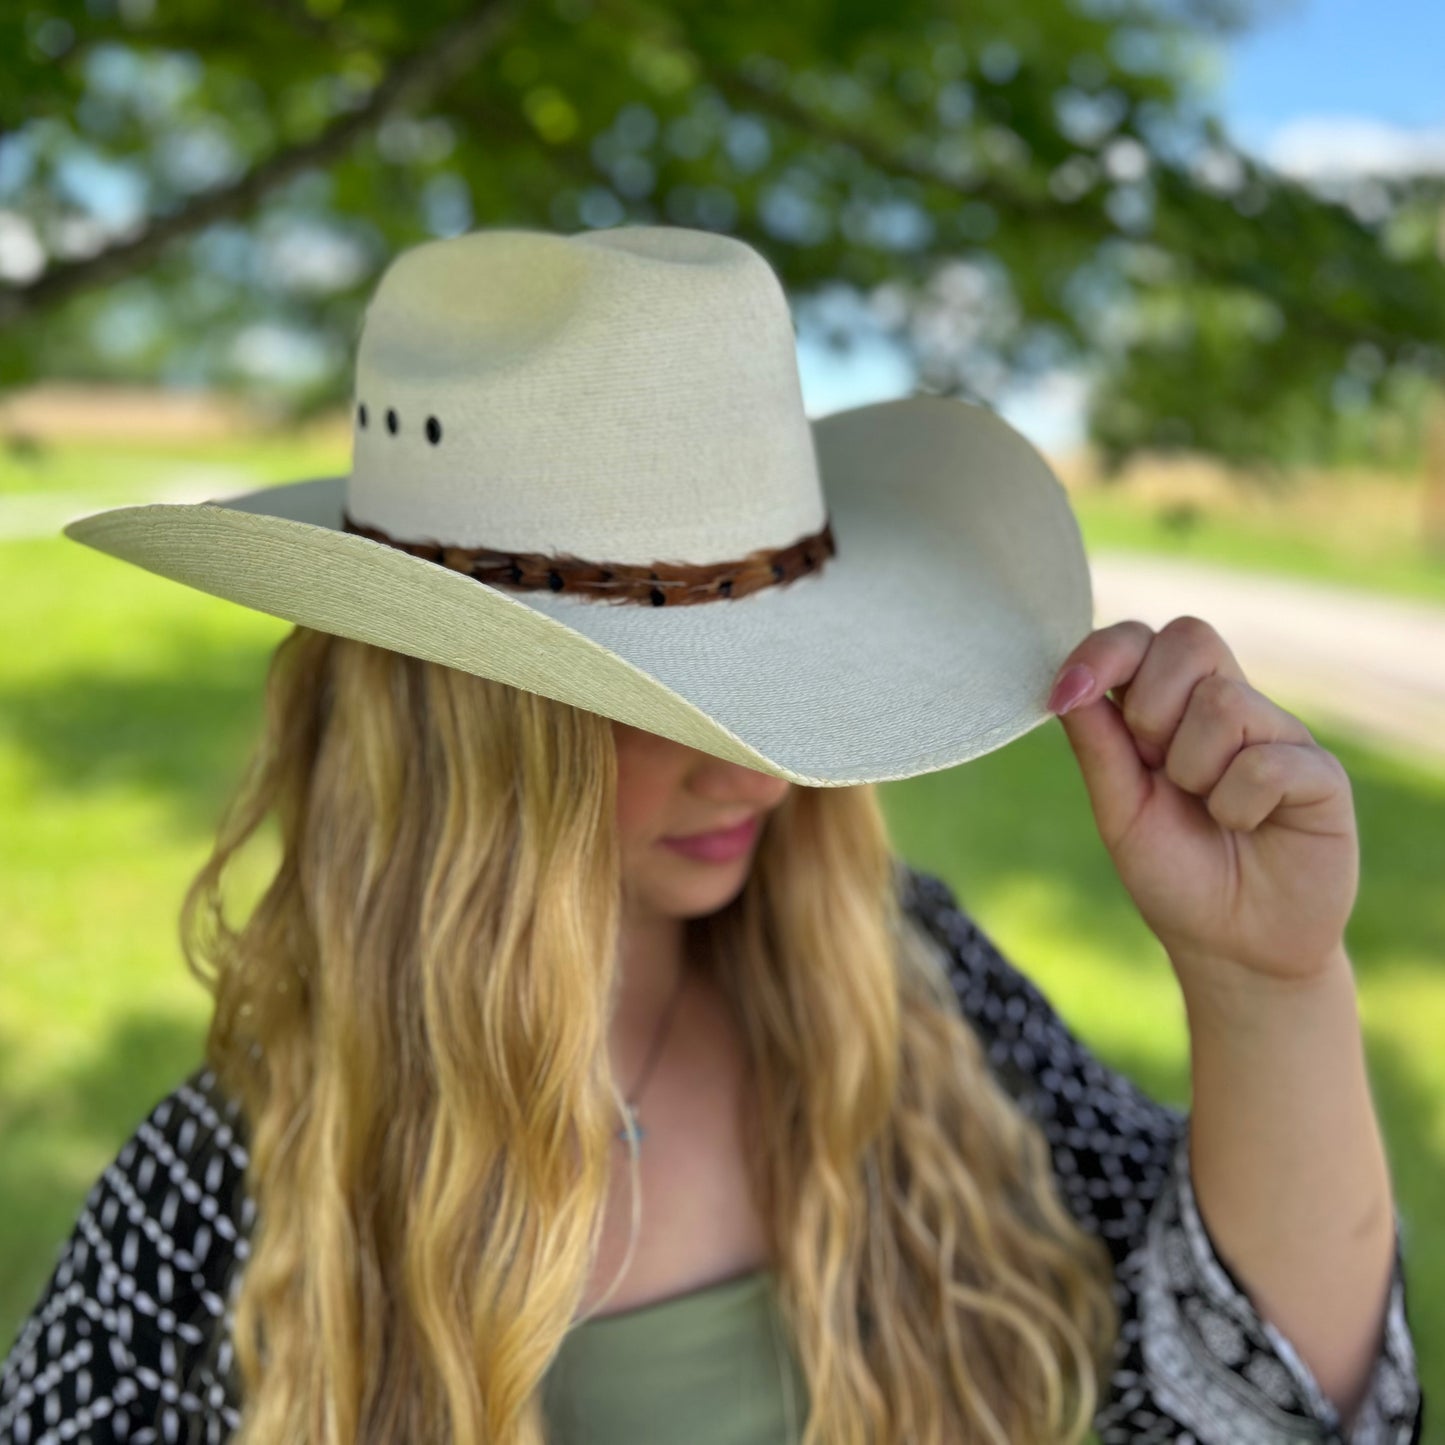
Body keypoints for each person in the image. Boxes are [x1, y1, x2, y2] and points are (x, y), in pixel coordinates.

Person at [0, 224, 1423, 1445]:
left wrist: (1266, 984)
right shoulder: (237, 1191)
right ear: (459, 722)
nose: (754, 761)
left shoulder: (903, 987)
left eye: (773, 670)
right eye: (656, 695)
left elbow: (1264, 1403)